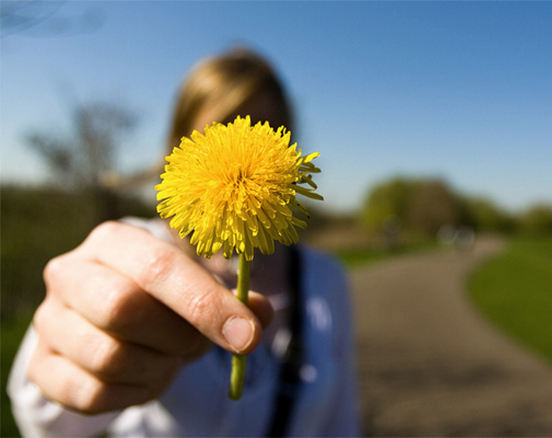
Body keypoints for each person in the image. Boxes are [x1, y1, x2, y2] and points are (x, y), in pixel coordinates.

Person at [8, 47, 361, 437]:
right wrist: (65, 363)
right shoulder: (130, 253)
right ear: (179, 148)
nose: (242, 139)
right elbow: (43, 419)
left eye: (262, 128)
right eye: (221, 128)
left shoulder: (326, 280)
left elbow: (342, 423)